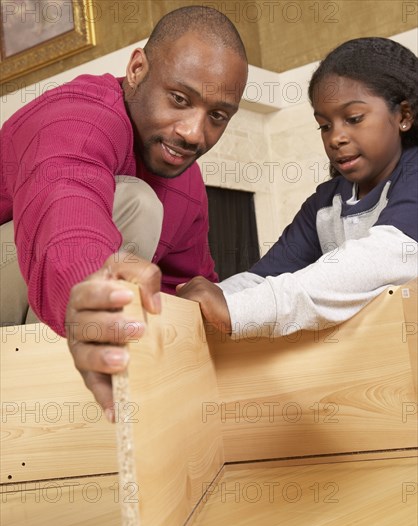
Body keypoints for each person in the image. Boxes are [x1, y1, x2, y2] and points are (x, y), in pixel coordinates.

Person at [0, 6, 248, 419]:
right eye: (179, 99)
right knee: (135, 203)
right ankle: (36, 397)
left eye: (217, 116)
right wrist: (88, 285)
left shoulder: (186, 180)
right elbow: (64, 207)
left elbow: (179, 287)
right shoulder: (78, 117)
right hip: (33, 274)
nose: (193, 133)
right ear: (136, 70)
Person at [178, 37, 418, 340]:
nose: (336, 138)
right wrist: (197, 305)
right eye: (325, 125)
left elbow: (380, 259)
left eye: (353, 118)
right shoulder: (325, 203)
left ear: (404, 116)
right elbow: (262, 277)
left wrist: (238, 311)